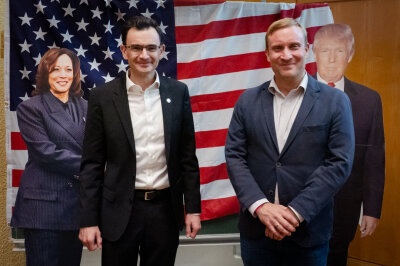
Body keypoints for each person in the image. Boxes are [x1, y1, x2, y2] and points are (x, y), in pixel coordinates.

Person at [225, 18, 355, 266]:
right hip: (256, 233)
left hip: (308, 234)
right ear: (267, 54)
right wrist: (261, 208)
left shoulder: (336, 102)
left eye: (294, 46)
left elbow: (339, 163)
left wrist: (293, 213)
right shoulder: (247, 101)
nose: (286, 55)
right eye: (278, 48)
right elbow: (234, 156)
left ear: (306, 50)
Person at [78, 16, 201, 266]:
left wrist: (194, 209)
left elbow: (187, 157)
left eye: (151, 48)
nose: (144, 55)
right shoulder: (102, 97)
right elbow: (91, 164)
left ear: (161, 51)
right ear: (124, 50)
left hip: (165, 211)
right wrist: (88, 220)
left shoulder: (178, 93)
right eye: (136, 47)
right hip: (119, 212)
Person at [313, 23, 385, 266]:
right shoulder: (293, 93)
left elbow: (374, 158)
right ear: (314, 53)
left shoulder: (369, 100)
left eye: (340, 51)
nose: (332, 59)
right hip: (298, 207)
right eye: (325, 51)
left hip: (345, 208)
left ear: (351, 55)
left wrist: (372, 209)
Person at [10, 48, 86, 266]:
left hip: (75, 208)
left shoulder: (87, 107)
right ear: (46, 73)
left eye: (68, 69)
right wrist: (94, 166)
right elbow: (46, 153)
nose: (63, 75)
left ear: (75, 74)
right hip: (43, 208)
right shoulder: (30, 108)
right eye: (56, 69)